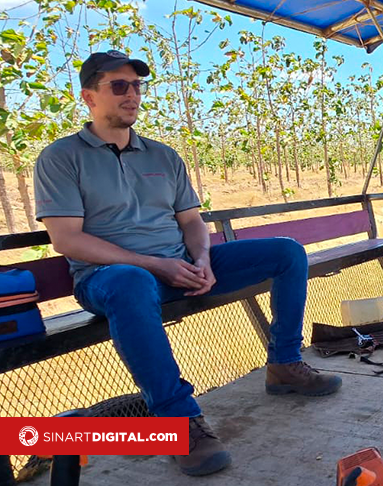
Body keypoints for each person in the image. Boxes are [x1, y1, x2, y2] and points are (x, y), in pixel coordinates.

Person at [33, 51, 343, 477]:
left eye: (137, 86)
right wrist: (154, 265)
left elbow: (192, 222)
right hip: (109, 280)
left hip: (180, 266)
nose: (132, 95)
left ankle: (284, 364)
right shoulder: (61, 157)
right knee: (131, 282)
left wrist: (202, 259)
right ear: (89, 97)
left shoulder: (163, 156)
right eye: (119, 86)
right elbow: (67, 239)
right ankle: (177, 421)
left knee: (287, 252)